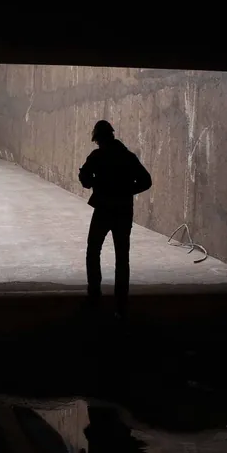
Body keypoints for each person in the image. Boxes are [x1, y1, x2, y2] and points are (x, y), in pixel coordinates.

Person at [78, 119, 152, 314]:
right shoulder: (128, 157)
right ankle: (121, 298)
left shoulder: (97, 156)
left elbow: (84, 179)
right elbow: (146, 181)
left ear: (99, 138)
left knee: (93, 250)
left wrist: (96, 183)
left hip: (103, 209)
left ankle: (94, 293)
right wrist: (128, 190)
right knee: (122, 255)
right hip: (123, 211)